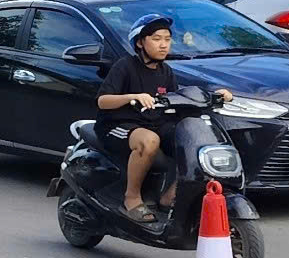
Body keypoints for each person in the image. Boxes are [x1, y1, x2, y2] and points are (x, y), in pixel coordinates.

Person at [95, 14, 232, 223]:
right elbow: (102, 101)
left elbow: (177, 99)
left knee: (192, 140)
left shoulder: (165, 71)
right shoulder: (125, 66)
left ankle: (171, 196)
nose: (163, 45)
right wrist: (132, 97)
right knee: (149, 141)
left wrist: (216, 95)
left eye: (167, 39)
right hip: (118, 125)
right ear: (140, 42)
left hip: (155, 124)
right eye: (156, 39)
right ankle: (131, 198)